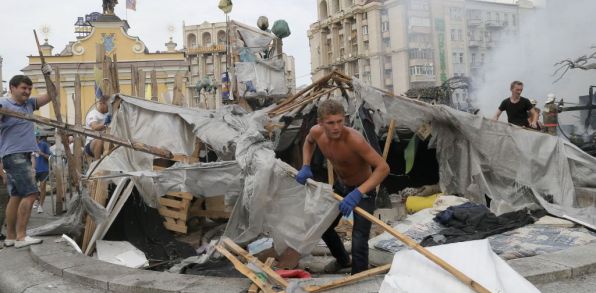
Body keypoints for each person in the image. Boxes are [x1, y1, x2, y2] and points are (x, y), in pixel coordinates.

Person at [296, 99, 390, 274]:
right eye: (330, 123)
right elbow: (308, 142)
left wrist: (358, 193)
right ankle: (343, 260)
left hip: (364, 190)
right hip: (341, 186)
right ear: (320, 123)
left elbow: (383, 168)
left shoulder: (354, 140)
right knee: (324, 226)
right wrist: (306, 165)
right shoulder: (316, 132)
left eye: (340, 121)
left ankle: (358, 276)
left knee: (359, 237)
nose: (336, 127)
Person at [0, 72, 52, 248]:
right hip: (14, 155)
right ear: (12, 88)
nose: (27, 91)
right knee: (31, 194)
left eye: (29, 88)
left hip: (21, 155)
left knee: (15, 196)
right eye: (23, 88)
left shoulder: (29, 104)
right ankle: (22, 237)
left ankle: (11, 237)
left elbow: (52, 95)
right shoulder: (3, 104)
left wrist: (47, 76)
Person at [33, 134, 50, 214]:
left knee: (43, 187)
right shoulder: (30, 146)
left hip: (44, 169)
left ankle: (41, 206)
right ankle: (37, 200)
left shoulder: (44, 145)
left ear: (38, 137)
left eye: (35, 137)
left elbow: (50, 156)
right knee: (33, 188)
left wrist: (41, 153)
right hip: (33, 170)